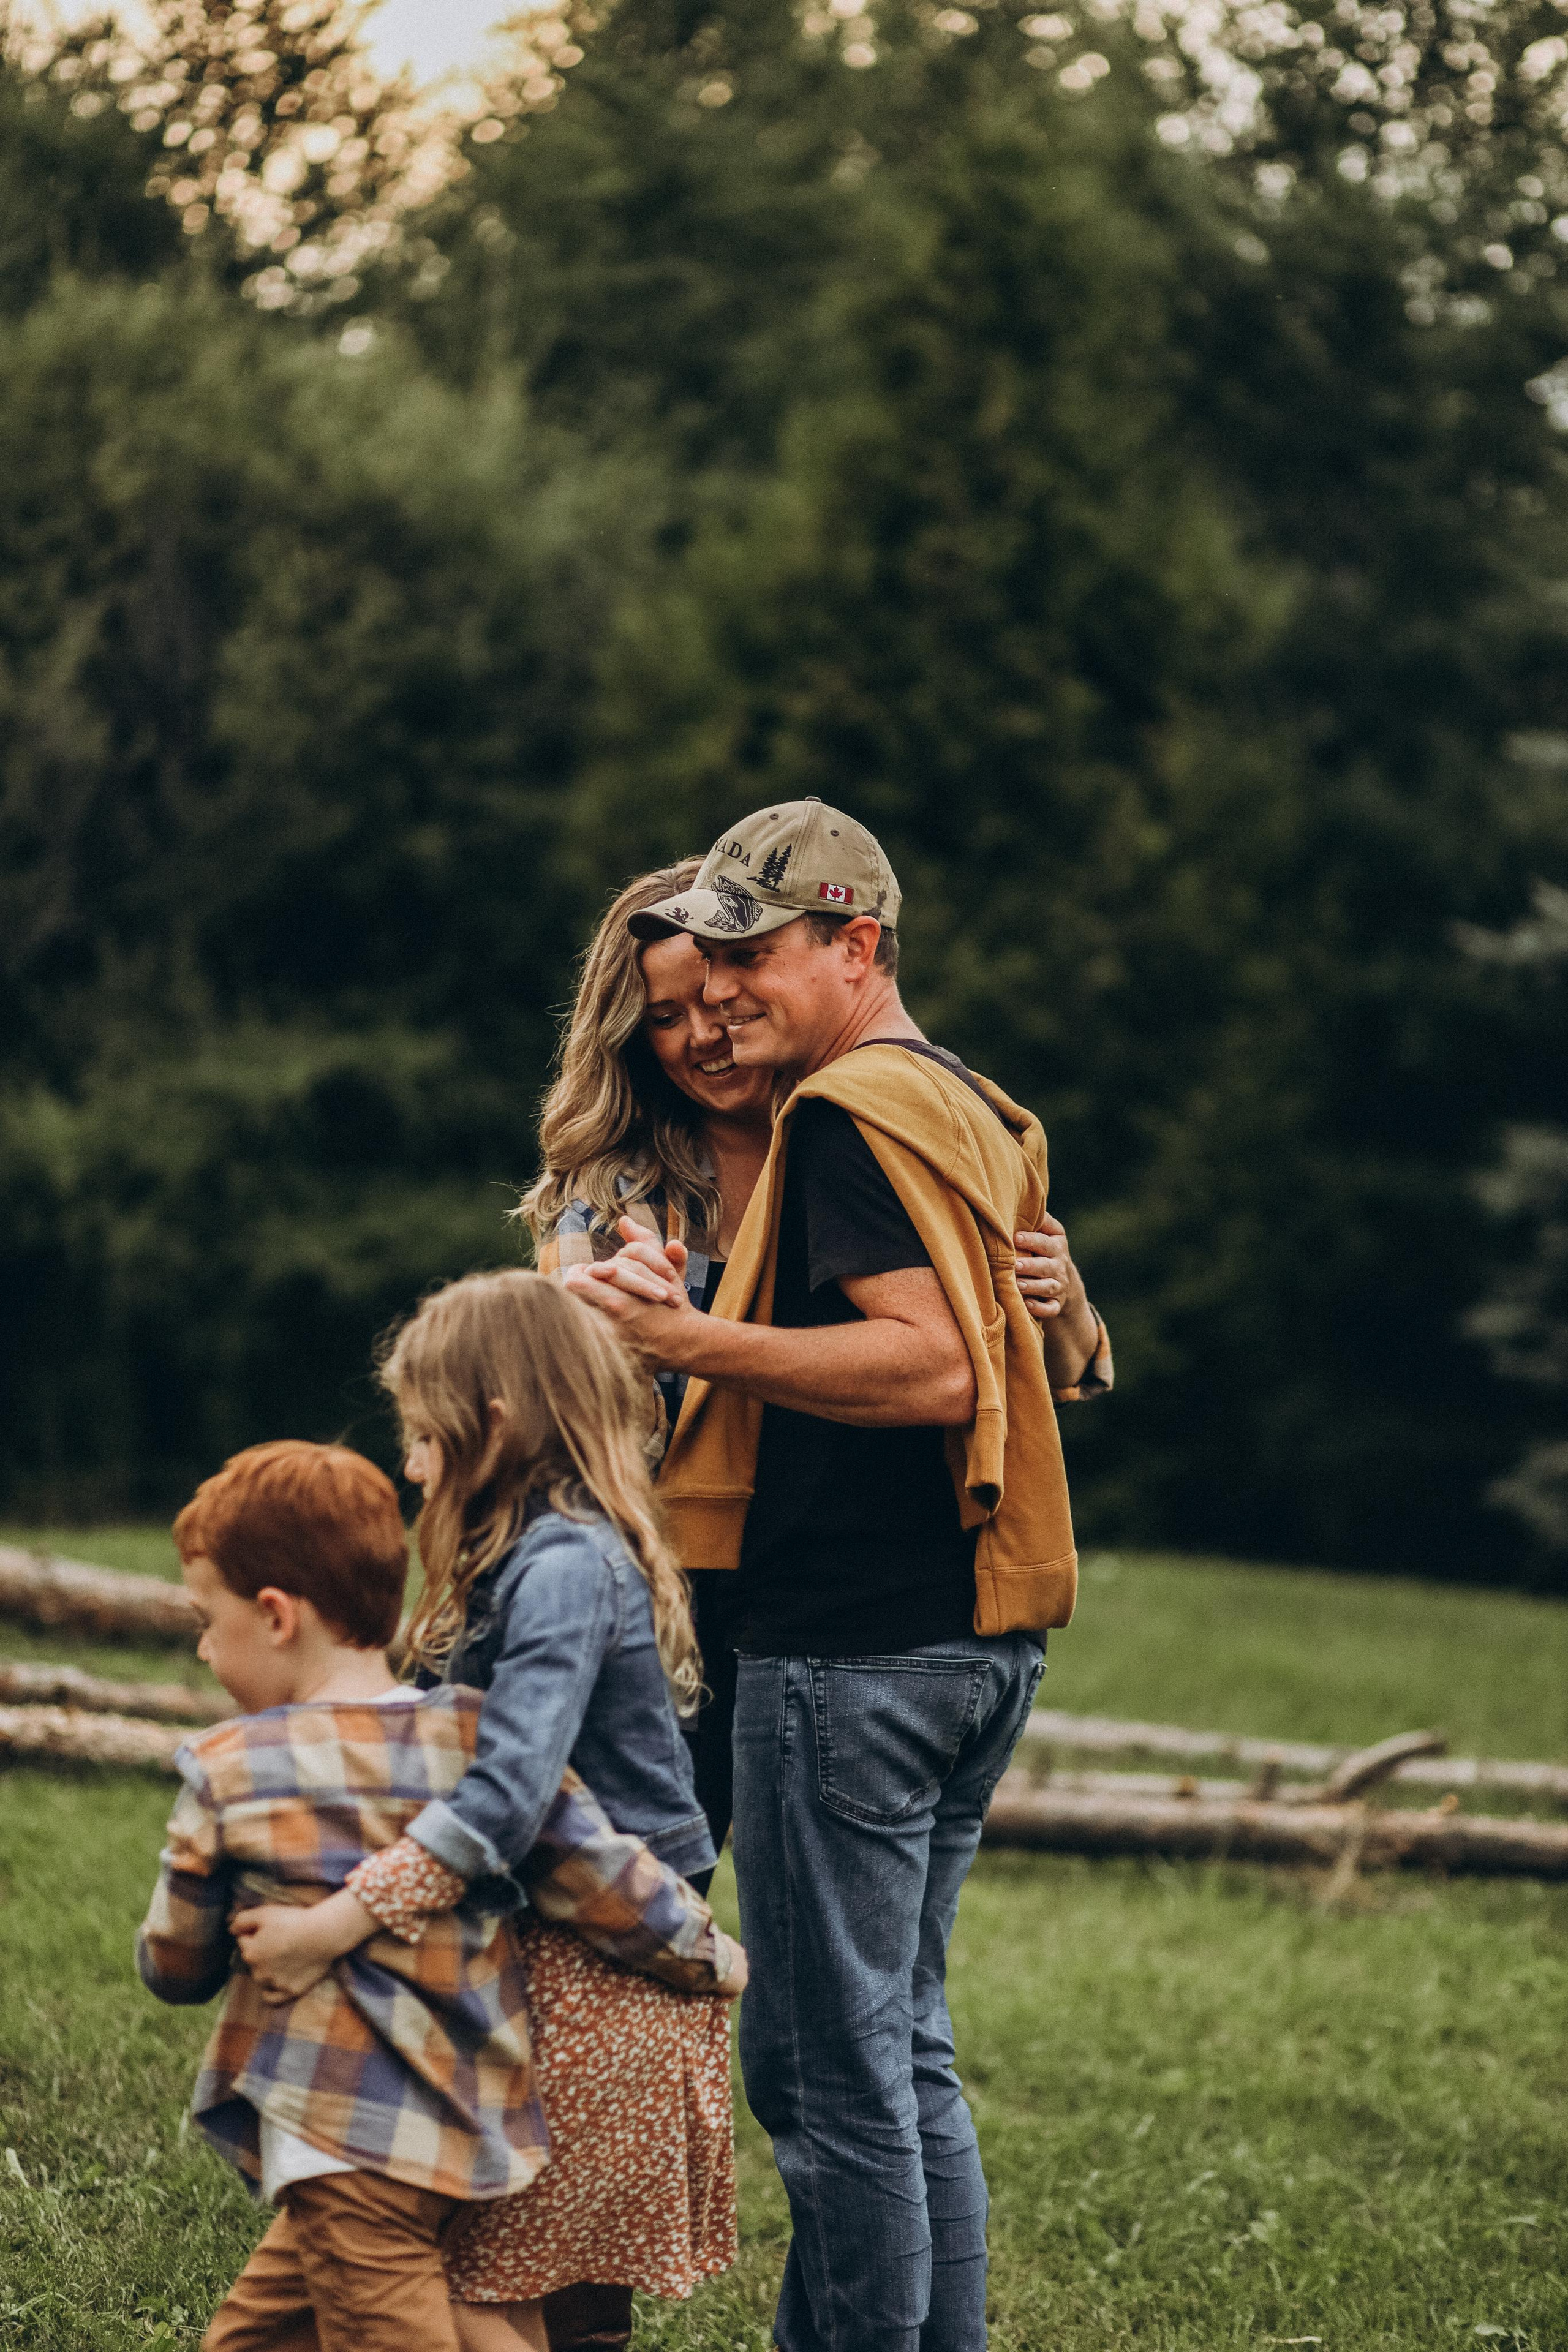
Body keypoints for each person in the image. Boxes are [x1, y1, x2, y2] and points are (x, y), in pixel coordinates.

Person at [566, 797, 1107, 2352]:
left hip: (846, 1653)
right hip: (966, 1641)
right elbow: (1008, 1350)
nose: (723, 989)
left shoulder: (845, 1114)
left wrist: (681, 1338)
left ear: (852, 945)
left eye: (752, 951)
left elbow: (936, 1369)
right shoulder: (971, 1101)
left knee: (825, 2076)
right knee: (902, 2051)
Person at [526, 860, 1110, 1875]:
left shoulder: (869, 1133)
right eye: (665, 1018)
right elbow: (586, 1427)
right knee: (646, 1884)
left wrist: (1066, 1302)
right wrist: (642, 1338)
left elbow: (1017, 1373)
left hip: (847, 1600)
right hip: (665, 1586)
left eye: (718, 998)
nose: (704, 1035)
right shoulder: (617, 1194)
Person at [231, 1275, 744, 2351]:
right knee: (550, 2253)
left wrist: (339, 1921)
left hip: (610, 1944)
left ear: (496, 1425)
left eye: (423, 1436)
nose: (410, 1464)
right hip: (564, 1922)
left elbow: (510, 1797)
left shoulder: (562, 1565)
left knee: (497, 2265)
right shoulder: (528, 1551)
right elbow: (444, 1729)